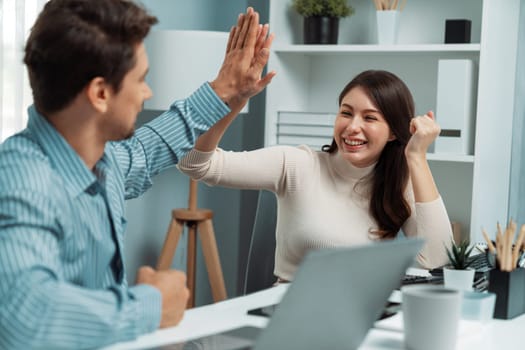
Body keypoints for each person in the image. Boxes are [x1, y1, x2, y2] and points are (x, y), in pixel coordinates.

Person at [0, 0, 274, 349]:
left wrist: (225, 90)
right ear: (100, 93)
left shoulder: (103, 161)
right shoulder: (23, 179)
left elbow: (146, 150)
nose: (148, 92)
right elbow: (24, 315)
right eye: (142, 79)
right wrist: (152, 304)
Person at [179, 69, 453, 282]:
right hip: (293, 310)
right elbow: (194, 164)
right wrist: (233, 103)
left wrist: (416, 157)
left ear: (394, 132)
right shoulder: (297, 164)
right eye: (346, 113)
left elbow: (438, 258)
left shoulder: (397, 183)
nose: (352, 127)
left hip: (363, 313)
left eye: (370, 118)